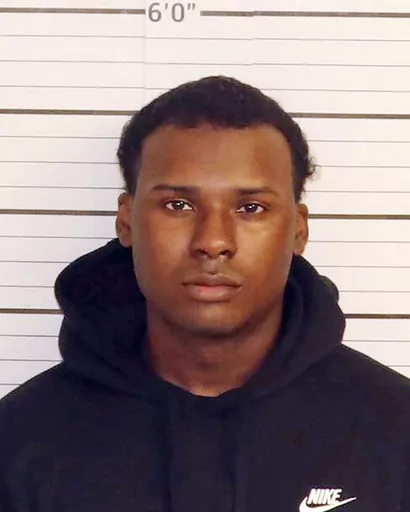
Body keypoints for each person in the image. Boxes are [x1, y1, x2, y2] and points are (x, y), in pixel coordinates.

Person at [0, 76, 409, 512]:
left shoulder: (396, 430)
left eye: (251, 208)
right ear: (127, 220)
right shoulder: (19, 443)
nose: (213, 241)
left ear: (298, 229)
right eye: (178, 205)